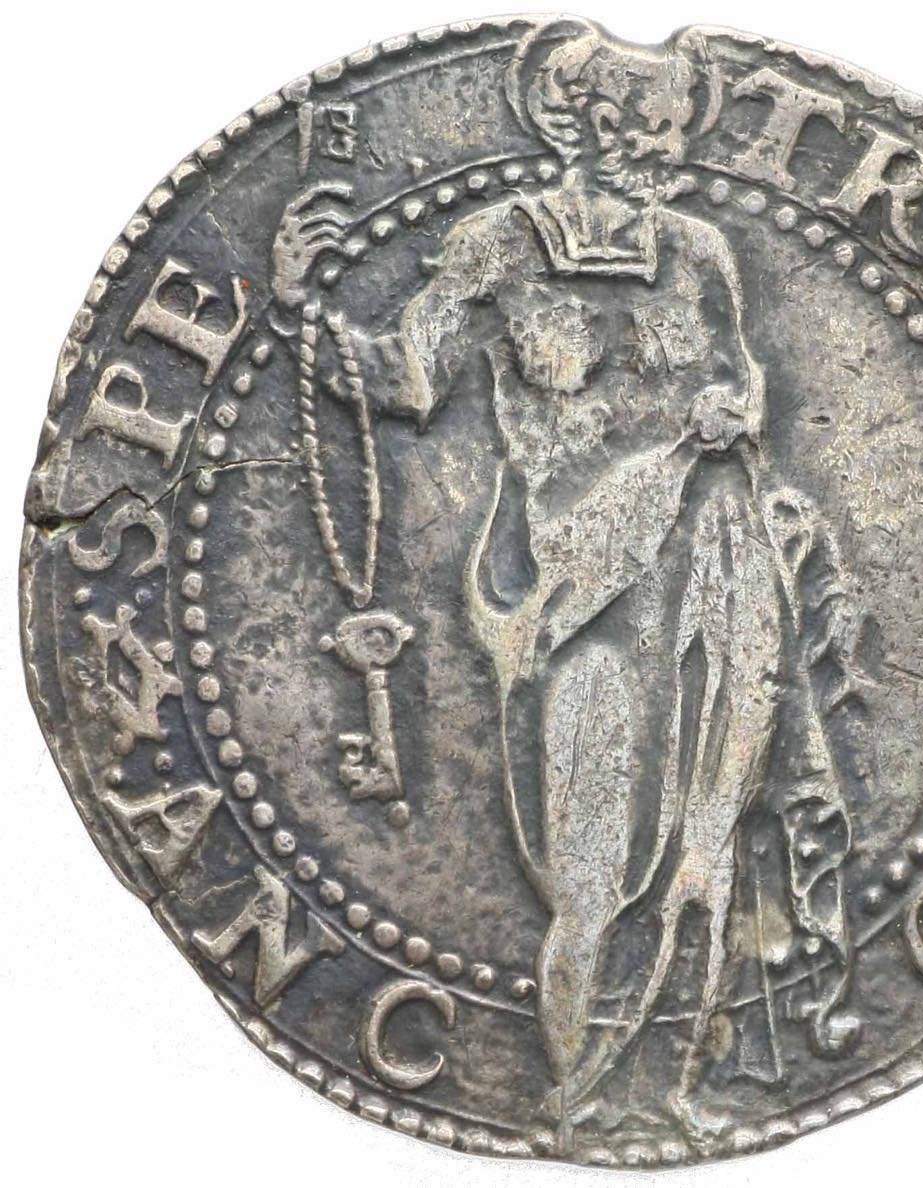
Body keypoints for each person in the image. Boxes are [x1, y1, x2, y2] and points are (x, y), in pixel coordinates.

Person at [271, 20, 859, 1139]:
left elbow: (744, 382)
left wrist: (734, 413)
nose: (666, 148)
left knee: (704, 855)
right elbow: (406, 380)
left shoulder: (698, 251)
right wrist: (301, 310)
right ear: (576, 123)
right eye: (645, 124)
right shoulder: (498, 244)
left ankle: (675, 1098)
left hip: (709, 568)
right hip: (576, 592)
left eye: (676, 126)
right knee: (588, 878)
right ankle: (581, 1102)